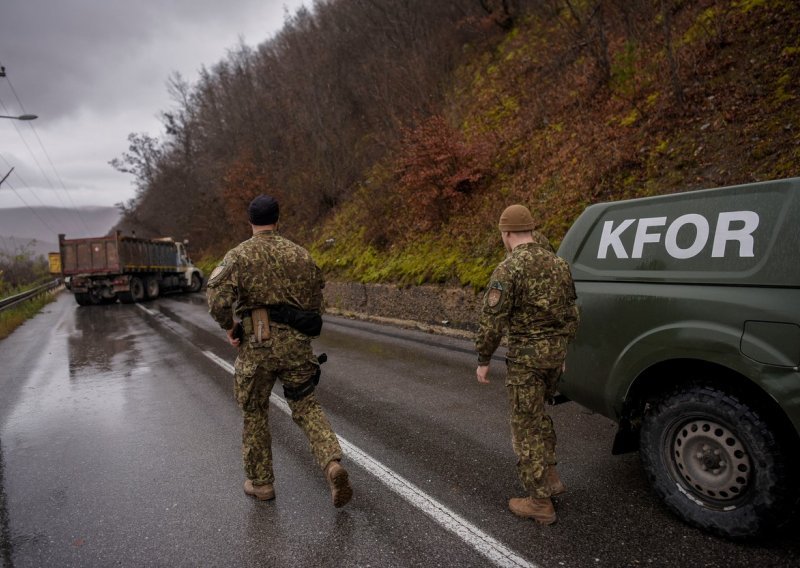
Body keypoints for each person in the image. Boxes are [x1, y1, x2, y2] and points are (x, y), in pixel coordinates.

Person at [206, 194, 352, 508]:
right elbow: (316, 306)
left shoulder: (238, 255)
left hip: (257, 345)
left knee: (255, 412)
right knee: (306, 406)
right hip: (297, 345)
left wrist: (231, 328)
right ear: (278, 219)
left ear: (250, 222)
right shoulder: (301, 255)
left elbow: (216, 300)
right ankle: (331, 464)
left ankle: (262, 484)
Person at [475, 204, 579, 525]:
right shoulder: (559, 265)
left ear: (506, 234)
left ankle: (539, 501)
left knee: (524, 426)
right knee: (539, 415)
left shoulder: (508, 270)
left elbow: (492, 322)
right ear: (532, 230)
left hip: (525, 362)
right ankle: (550, 476)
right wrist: (561, 354)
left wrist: (483, 359)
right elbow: (572, 313)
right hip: (553, 358)